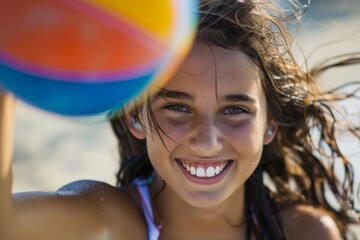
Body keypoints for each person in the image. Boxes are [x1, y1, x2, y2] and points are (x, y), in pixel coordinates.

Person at [1, 0, 359, 239]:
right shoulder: (114, 221)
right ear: (135, 117)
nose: (206, 141)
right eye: (178, 108)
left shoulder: (302, 232)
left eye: (234, 110)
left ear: (269, 123)